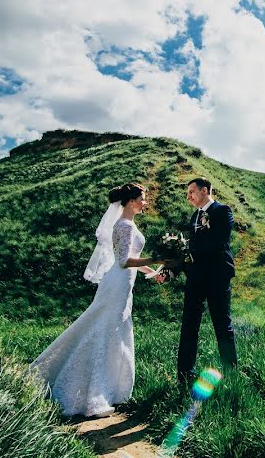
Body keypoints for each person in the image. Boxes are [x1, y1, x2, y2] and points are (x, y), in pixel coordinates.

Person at [29, 183, 165, 417]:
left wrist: (152, 273)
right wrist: (158, 258)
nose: (145, 202)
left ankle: (108, 388)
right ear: (131, 201)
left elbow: (128, 259)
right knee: (104, 330)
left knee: (111, 330)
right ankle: (93, 390)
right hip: (118, 284)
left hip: (121, 284)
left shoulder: (125, 223)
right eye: (142, 198)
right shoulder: (125, 225)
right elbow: (123, 261)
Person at [162, 177, 238, 389]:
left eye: (191, 192)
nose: (189, 196)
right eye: (188, 193)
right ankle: (184, 375)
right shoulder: (195, 216)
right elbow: (190, 251)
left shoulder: (223, 211)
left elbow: (217, 241)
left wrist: (187, 249)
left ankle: (231, 373)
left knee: (222, 324)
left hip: (217, 277)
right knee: (188, 326)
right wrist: (170, 270)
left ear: (205, 191)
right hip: (195, 278)